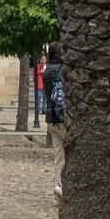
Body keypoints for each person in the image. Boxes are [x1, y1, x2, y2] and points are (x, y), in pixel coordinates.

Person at [44, 44, 65, 200]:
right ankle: (63, 188)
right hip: (63, 117)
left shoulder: (46, 72)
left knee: (59, 155)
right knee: (69, 153)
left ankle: (58, 186)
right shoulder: (63, 71)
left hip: (51, 118)